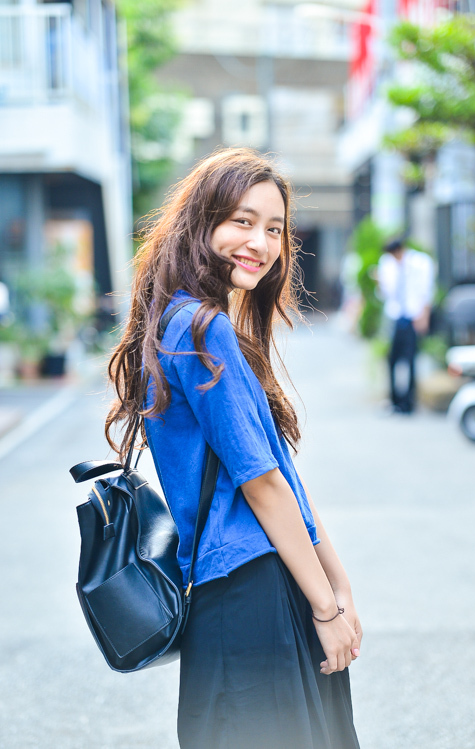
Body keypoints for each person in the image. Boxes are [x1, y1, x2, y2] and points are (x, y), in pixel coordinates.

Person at [105, 148, 362, 749]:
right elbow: (263, 485)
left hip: (255, 586)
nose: (261, 242)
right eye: (241, 221)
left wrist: (337, 585)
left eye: (274, 227)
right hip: (252, 593)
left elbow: (278, 472)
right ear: (203, 223)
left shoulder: (190, 324)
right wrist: (328, 607)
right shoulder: (201, 330)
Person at [378, 238, 435, 414]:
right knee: (392, 359)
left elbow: (426, 290)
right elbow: (386, 292)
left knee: (410, 360)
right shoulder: (387, 264)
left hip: (413, 316)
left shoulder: (420, 262)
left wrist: (424, 316)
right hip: (396, 315)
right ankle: (395, 400)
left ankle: (409, 403)